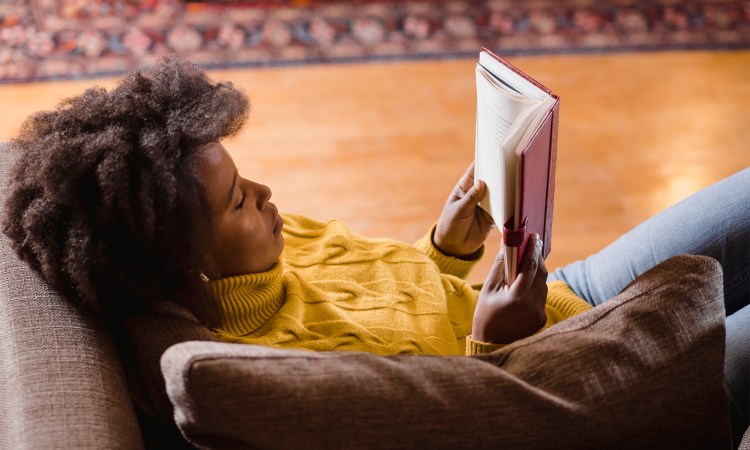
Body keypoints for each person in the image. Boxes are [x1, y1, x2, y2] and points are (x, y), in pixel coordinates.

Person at [1, 56, 747, 441]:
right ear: (186, 266)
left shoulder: (260, 249)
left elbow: (398, 305)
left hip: (567, 295)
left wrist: (444, 252)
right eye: (238, 201)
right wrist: (495, 351)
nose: (266, 194)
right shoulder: (282, 362)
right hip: (576, 362)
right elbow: (463, 424)